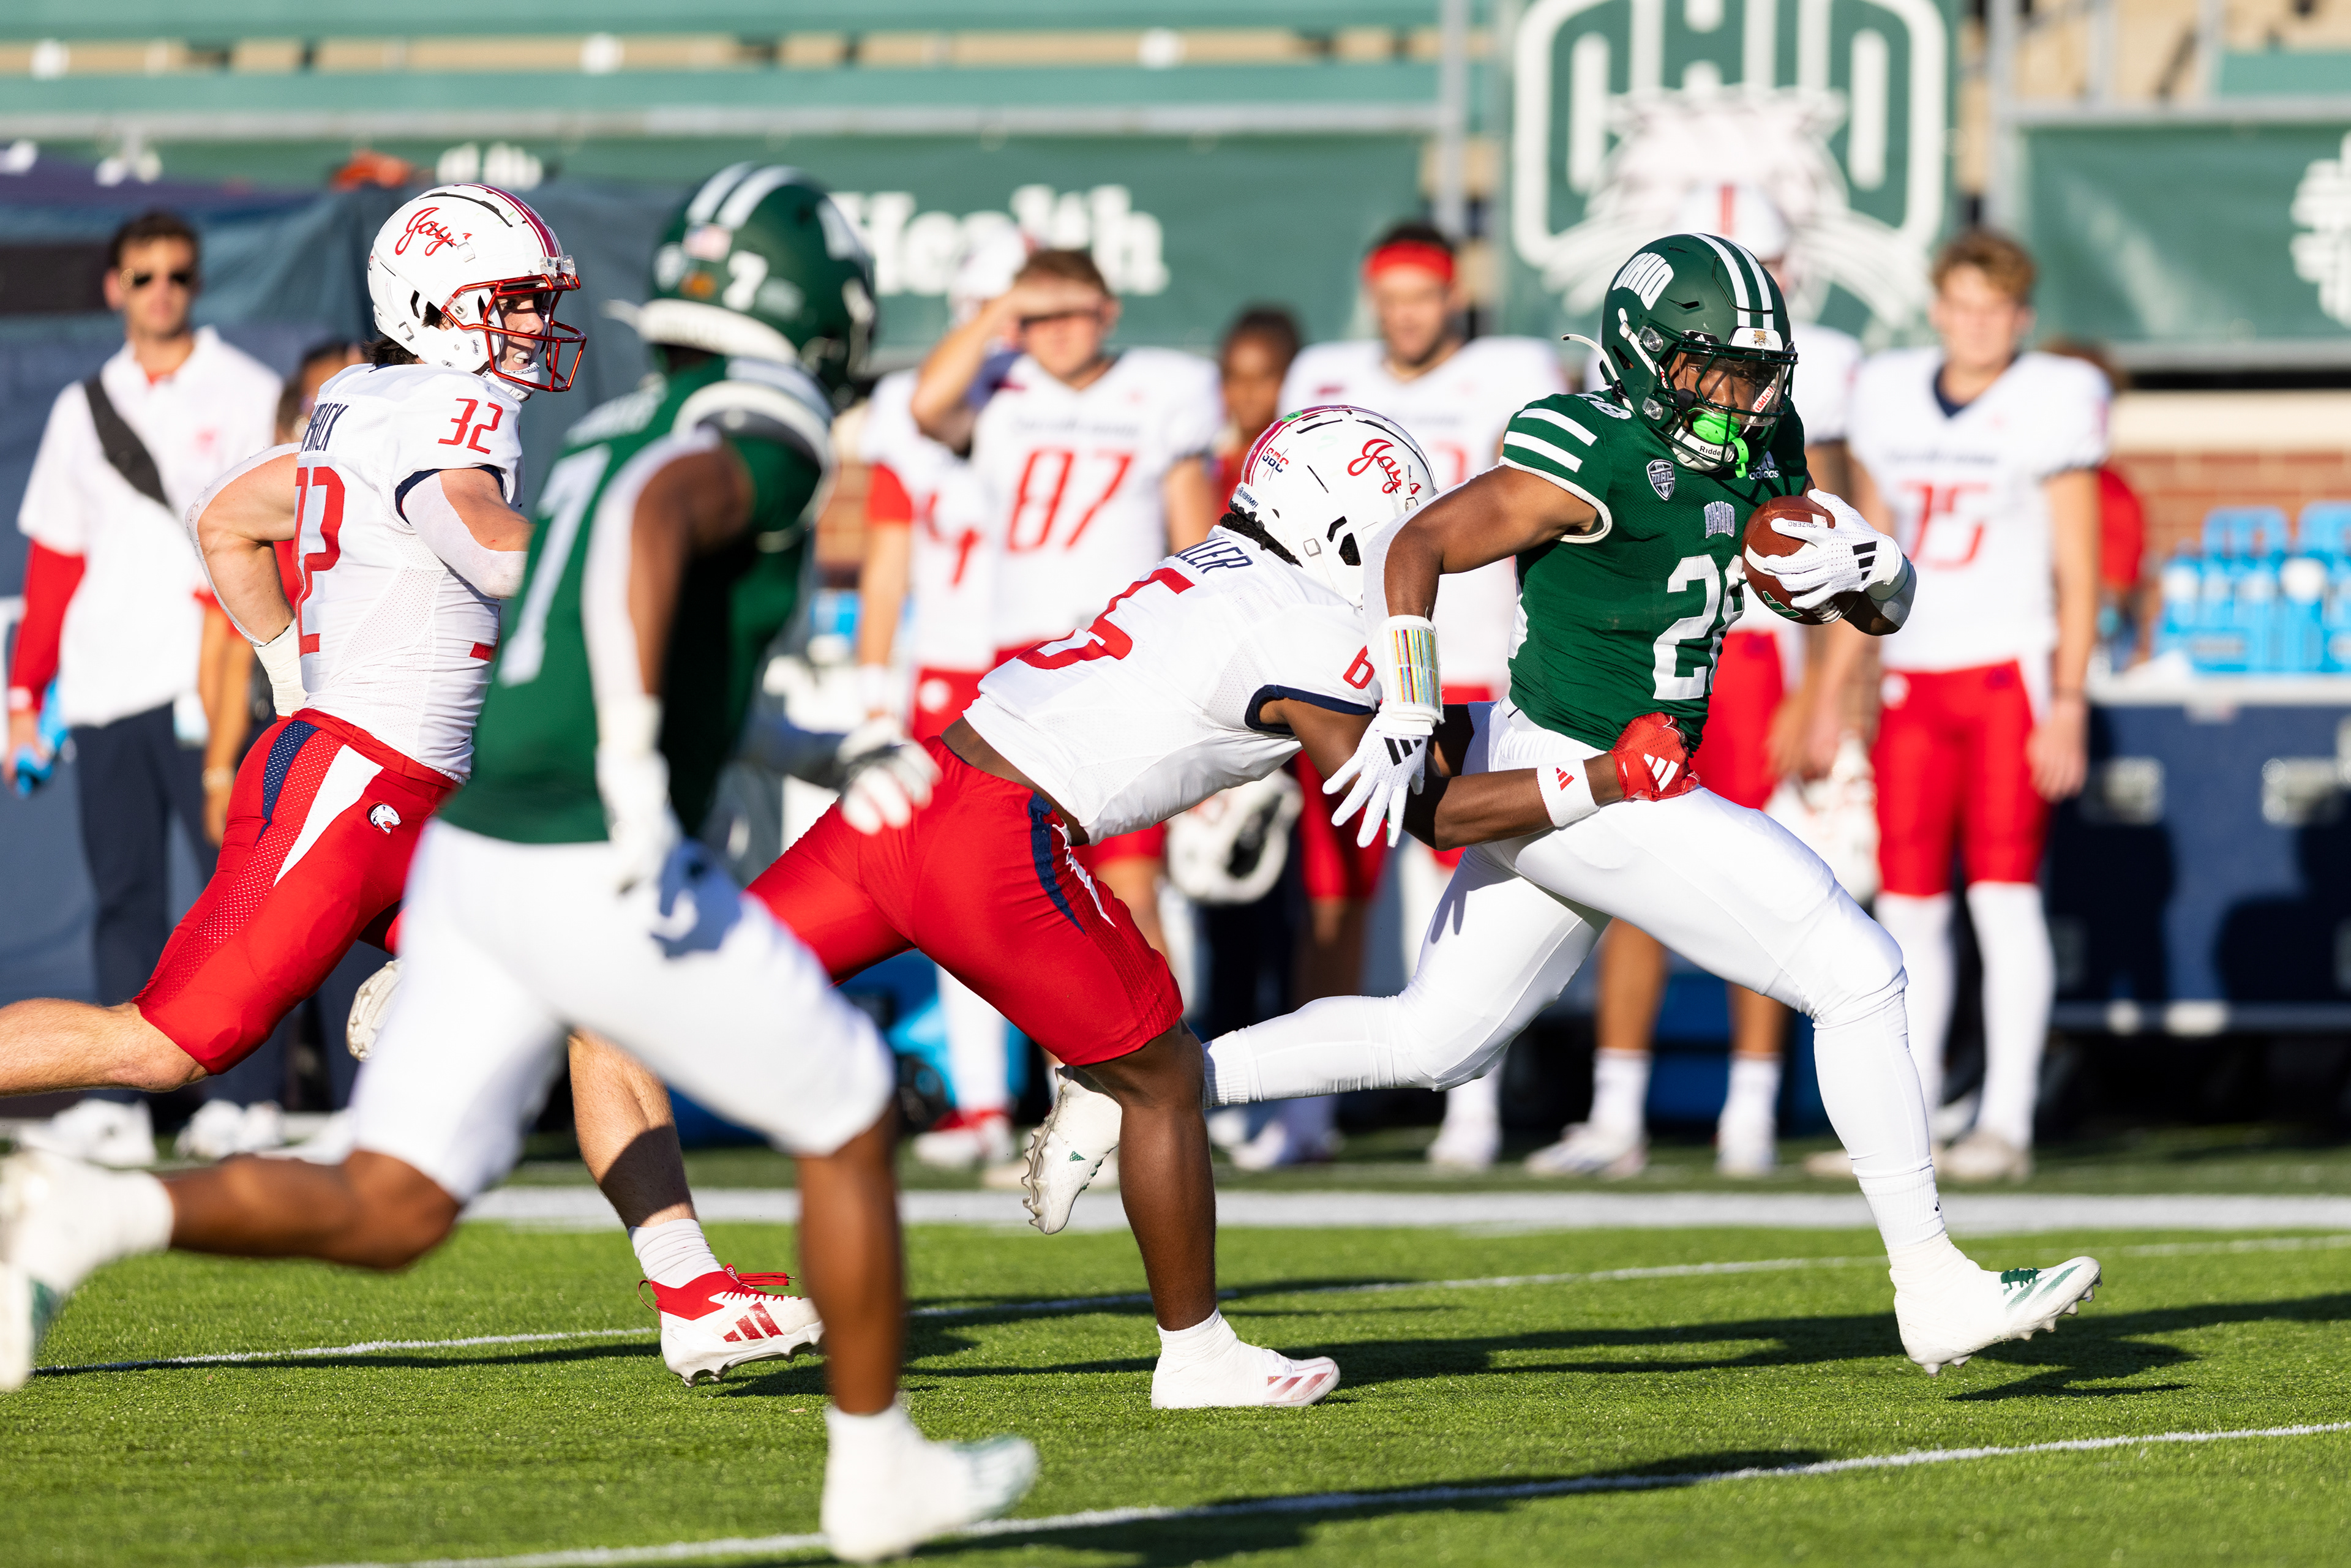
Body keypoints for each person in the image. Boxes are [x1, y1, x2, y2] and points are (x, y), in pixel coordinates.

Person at [0, 168, 1033, 1564]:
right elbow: (480, 546)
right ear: (433, 306)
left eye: (543, 299)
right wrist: (566, 564)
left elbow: (231, 522)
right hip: (364, 782)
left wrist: (297, 662)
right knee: (166, 1045)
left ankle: (685, 1285)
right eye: (512, 302)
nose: (535, 326)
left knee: (598, 993)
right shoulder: (442, 408)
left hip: (417, 781)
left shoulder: (363, 399)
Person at [1037, 236, 2104, 1377]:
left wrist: (1875, 572)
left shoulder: (1759, 440)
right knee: (1858, 970)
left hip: (1613, 775)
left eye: (1758, 372)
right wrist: (1407, 694)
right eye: (1717, 371)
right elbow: (1421, 540)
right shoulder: (1588, 446)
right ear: (1651, 359)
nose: (1744, 396)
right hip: (1585, 771)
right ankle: (1932, 1282)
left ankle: (1141, 1092)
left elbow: (1839, 589)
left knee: (1435, 1037)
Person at [748, 406, 1637, 1409]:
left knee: (690, 994)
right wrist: (1600, 778)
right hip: (995, 836)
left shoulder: (1213, 561)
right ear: (1343, 529)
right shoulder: (1307, 622)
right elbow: (1421, 808)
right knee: (1165, 1073)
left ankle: (685, 1276)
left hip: (915, 788)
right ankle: (1196, 1351)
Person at [1543, 181, 1865, 1180]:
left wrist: (1824, 692)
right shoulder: (1621, 398)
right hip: (1647, 651)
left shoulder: (1802, 386)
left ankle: (1752, 1109)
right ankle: (1617, 1105)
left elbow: (1837, 525)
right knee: (1639, 882)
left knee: (1760, 882)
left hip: (1751, 653)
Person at [1242, 221, 1568, 1172]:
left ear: (1455, 293)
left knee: (1470, 893)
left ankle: (1472, 1108)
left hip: (1468, 660)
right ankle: (1307, 1113)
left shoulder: (1511, 373)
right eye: (1392, 299)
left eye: (1423, 296)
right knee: (1334, 892)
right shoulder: (1324, 382)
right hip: (1354, 671)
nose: (1408, 317)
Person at [1805, 232, 2105, 1185]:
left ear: (2020, 317)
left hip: (2006, 675)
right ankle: (1918, 1110)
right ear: (1938, 306)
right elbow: (1871, 563)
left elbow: (2080, 570)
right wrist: (1829, 690)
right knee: (1910, 904)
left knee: (2005, 896)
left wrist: (2067, 700)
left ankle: (2007, 1115)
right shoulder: (1889, 395)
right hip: (1914, 678)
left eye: (1996, 308)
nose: (1976, 324)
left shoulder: (2052, 400)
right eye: (1962, 304)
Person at [4, 210, 282, 1168]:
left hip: (210, 682)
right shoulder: (84, 406)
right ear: (115, 286)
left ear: (194, 282)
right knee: (124, 895)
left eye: (177, 275)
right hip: (106, 683)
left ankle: (246, 1095)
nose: (161, 290)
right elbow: (54, 559)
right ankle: (124, 1104)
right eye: (144, 275)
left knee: (237, 892)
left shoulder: (247, 390)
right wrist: (22, 694)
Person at [910, 247, 1223, 959]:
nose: (1053, 331)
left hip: (1124, 658)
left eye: (1070, 312)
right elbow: (927, 404)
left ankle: (1166, 1063)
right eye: (1037, 315)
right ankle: (1076, 1069)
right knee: (1031, 879)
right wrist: (1001, 309)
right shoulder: (998, 384)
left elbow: (1198, 545)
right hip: (1021, 660)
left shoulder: (1162, 390)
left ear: (1107, 311)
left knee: (1129, 877)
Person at [851, 233, 1027, 1171]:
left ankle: (1099, 1089)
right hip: (951, 667)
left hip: (1050, 654)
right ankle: (986, 1100)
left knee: (1114, 887)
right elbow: (888, 560)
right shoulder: (917, 407)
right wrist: (876, 691)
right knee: (958, 893)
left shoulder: (1065, 402)